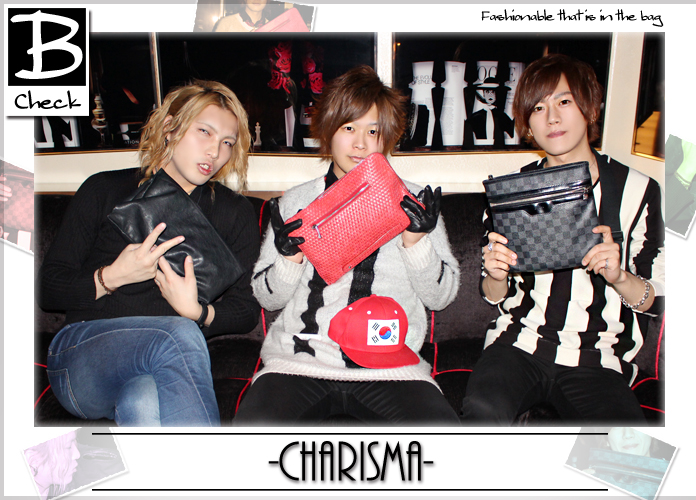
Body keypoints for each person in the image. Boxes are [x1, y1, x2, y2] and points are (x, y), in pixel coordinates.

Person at [234, 65, 461, 425]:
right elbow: (268, 299)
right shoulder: (297, 202)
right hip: (299, 362)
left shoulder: (416, 202)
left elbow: (441, 298)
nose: (360, 143)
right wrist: (289, 260)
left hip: (392, 367)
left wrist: (416, 242)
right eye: (349, 128)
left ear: (387, 137)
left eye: (373, 130)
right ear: (329, 130)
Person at [37, 80, 260, 426]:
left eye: (227, 142)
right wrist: (111, 277)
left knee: (143, 400)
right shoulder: (104, 189)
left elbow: (246, 310)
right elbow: (49, 288)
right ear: (170, 128)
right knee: (177, 333)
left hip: (159, 368)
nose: (214, 151)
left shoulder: (234, 212)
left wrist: (197, 311)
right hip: (82, 357)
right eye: (204, 132)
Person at [461, 54, 665, 423]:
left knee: (626, 449)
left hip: (598, 360)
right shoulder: (513, 192)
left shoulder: (638, 191)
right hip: (519, 345)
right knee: (481, 414)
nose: (551, 118)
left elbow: (657, 300)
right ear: (527, 123)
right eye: (538, 108)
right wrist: (495, 274)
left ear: (590, 108)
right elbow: (492, 296)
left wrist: (620, 276)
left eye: (564, 101)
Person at [24, 431, 81, 500]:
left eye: (74, 442)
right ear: (34, 459)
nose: (77, 454)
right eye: (68, 447)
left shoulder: (69, 488)